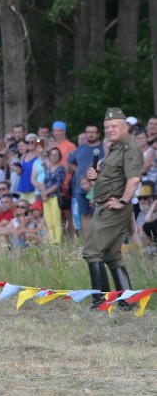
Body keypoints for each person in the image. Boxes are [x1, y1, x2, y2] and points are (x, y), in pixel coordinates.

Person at [82, 107, 144, 310]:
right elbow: (114, 177)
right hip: (106, 206)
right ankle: (127, 302)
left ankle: (101, 303)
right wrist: (96, 176)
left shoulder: (129, 148)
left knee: (92, 251)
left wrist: (123, 202)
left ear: (125, 127)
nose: (109, 129)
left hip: (113, 209)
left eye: (114, 126)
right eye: (107, 126)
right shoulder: (115, 148)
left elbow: (134, 180)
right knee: (111, 255)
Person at [67, 124, 104, 235]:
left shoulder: (104, 147)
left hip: (99, 188)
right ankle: (88, 241)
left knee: (99, 215)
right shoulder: (81, 148)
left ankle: (100, 239)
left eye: (93, 132)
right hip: (81, 188)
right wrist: (78, 170)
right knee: (85, 214)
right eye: (88, 132)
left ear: (98, 134)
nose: (91, 134)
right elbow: (69, 162)